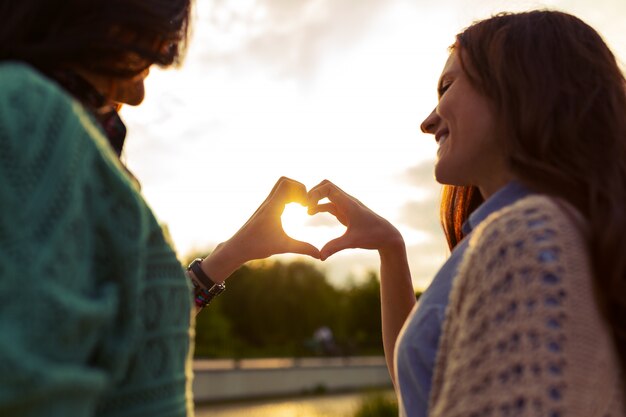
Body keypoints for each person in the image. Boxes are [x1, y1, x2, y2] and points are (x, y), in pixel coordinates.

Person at [0, 1, 319, 415]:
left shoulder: (52, 137)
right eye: (147, 60)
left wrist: (231, 254)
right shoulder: (30, 116)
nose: (138, 94)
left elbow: (120, 336)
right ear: (108, 23)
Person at [306, 9, 626, 416]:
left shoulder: (528, 238)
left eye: (447, 87)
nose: (428, 121)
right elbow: (430, 381)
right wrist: (390, 247)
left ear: (520, 85)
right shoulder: (568, 234)